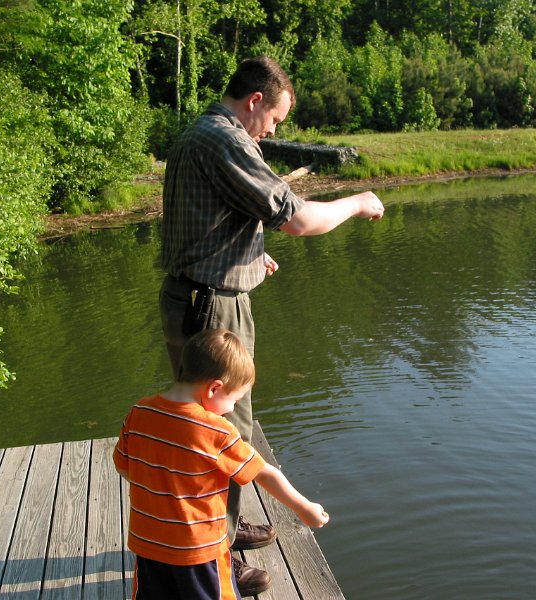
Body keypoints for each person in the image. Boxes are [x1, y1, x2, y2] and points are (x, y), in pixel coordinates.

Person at [158, 55, 383, 594]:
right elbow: (300, 219)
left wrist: (250, 257)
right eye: (276, 120)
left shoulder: (201, 134)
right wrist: (356, 202)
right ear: (255, 101)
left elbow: (209, 222)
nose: (274, 130)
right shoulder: (226, 139)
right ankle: (216, 559)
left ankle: (226, 531)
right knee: (222, 433)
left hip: (200, 294)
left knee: (228, 425)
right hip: (212, 309)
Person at [114, 329, 329, 599]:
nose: (230, 409)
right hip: (199, 551)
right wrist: (304, 507)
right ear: (214, 387)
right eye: (234, 400)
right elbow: (264, 473)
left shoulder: (139, 412)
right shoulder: (216, 430)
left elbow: (124, 467)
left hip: (148, 544)